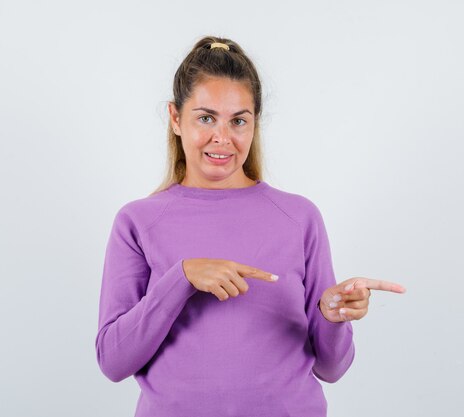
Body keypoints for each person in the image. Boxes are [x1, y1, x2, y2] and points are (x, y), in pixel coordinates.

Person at [95, 35, 406, 417]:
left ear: (254, 122)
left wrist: (331, 314)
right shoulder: (138, 221)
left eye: (238, 120)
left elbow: (332, 368)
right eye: (206, 117)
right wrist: (182, 279)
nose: (222, 138)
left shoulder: (299, 217)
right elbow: (112, 362)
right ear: (176, 118)